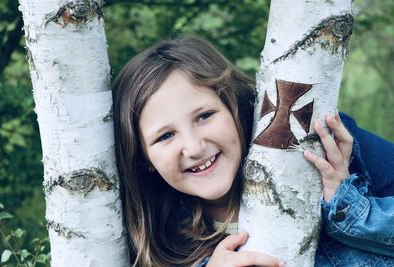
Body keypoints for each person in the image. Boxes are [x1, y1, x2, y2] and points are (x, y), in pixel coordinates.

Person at [112, 36, 394, 267]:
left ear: (233, 106)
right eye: (165, 136)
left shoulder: (327, 147)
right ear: (143, 158)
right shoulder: (150, 245)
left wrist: (350, 208)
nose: (195, 147)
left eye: (205, 116)